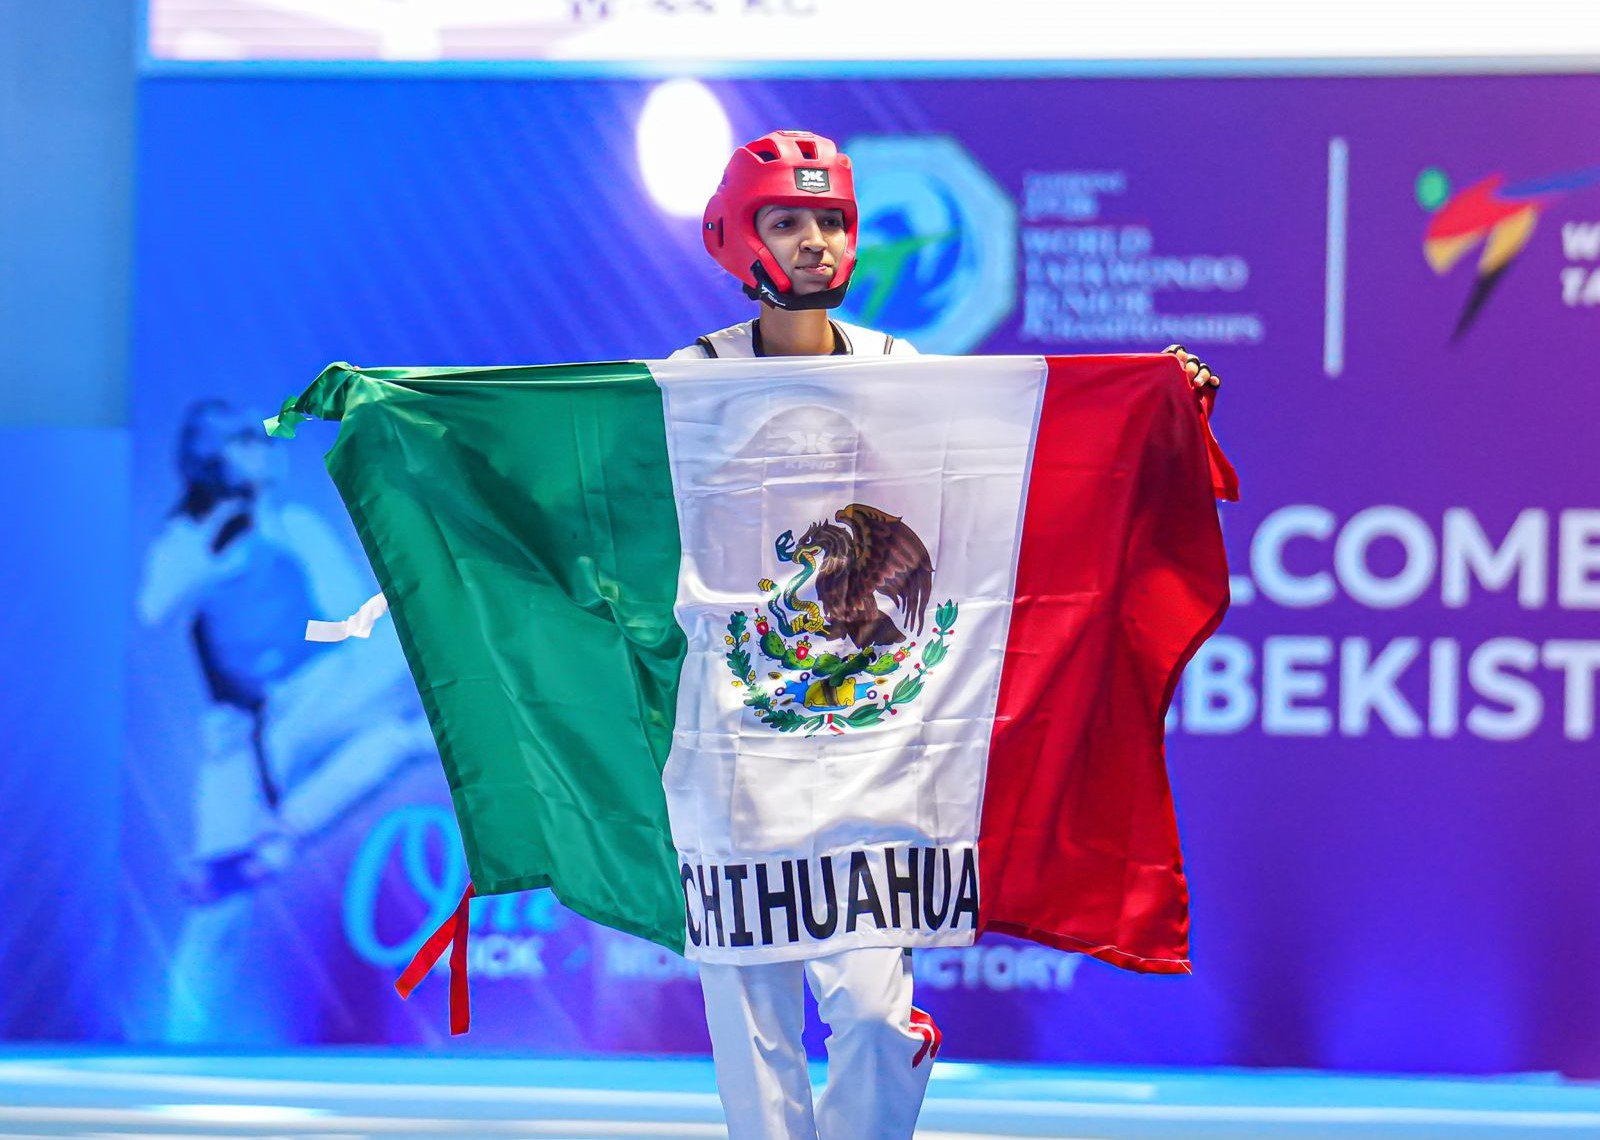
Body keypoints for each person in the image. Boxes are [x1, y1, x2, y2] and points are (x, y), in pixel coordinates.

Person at [672, 128, 1222, 1140]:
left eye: (830, 220)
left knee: (876, 1026)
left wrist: (1149, 405)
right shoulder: (683, 388)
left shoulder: (903, 371)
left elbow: (1013, 480)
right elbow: (574, 492)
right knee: (758, 1065)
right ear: (733, 237)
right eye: (786, 221)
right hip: (738, 765)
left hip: (872, 762)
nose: (813, 243)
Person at [138, 399, 435, 1042]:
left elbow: (346, 617)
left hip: (312, 696)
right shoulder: (190, 537)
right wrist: (220, 548)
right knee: (218, 909)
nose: (266, 449)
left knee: (405, 723)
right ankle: (179, 1044)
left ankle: (283, 836)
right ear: (212, 458)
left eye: (262, 439)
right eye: (247, 441)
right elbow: (155, 607)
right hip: (237, 735)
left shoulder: (295, 526)